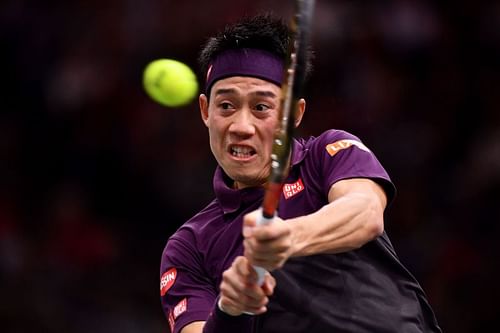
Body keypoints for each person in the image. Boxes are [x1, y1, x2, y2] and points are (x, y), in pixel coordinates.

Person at [160, 13, 441, 333]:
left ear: (294, 114)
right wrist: (229, 309)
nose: (241, 126)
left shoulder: (327, 153)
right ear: (204, 111)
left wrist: (290, 238)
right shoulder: (189, 246)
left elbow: (365, 212)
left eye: (261, 107)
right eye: (226, 106)